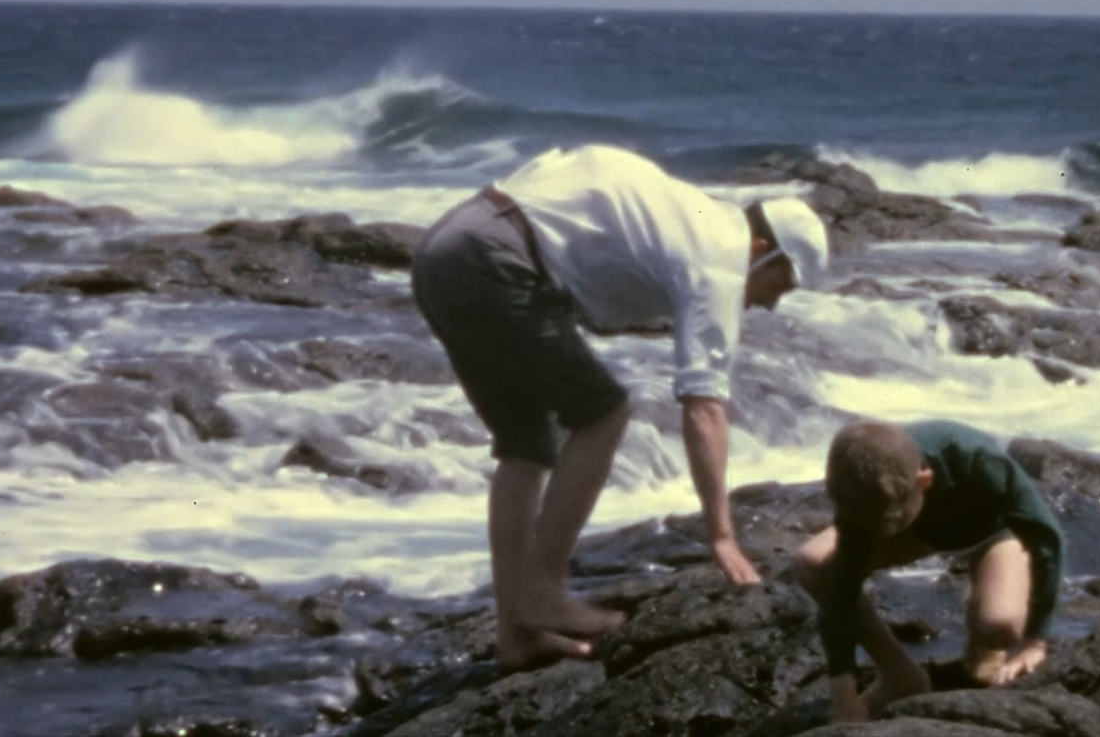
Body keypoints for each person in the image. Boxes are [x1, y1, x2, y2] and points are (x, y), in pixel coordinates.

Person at [410, 143, 830, 672]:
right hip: (497, 260)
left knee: (525, 446)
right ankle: (542, 592)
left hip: (448, 247)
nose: (770, 302)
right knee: (603, 414)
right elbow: (704, 407)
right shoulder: (720, 255)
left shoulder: (695, 215)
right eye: (781, 283)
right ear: (760, 248)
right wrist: (721, 536)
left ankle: (516, 635)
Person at [792, 418, 1065, 723]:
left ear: (924, 480)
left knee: (1000, 624)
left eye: (889, 522)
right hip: (920, 532)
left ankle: (982, 636)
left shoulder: (980, 462)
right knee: (815, 565)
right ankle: (900, 675)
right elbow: (842, 587)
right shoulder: (861, 494)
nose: (879, 532)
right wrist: (842, 689)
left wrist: (1035, 641)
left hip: (992, 531)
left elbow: (1045, 536)